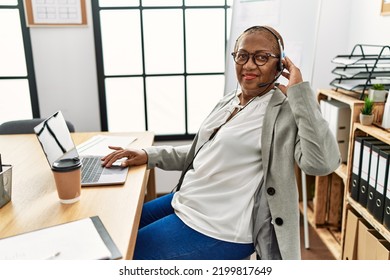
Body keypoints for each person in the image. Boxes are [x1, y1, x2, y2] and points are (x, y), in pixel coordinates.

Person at [101, 25, 341, 260]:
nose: (248, 64)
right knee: (112, 231)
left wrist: (300, 92)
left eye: (261, 57)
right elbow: (204, 153)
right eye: (242, 55)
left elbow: (322, 163)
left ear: (280, 65)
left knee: (126, 256)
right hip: (185, 201)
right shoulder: (230, 101)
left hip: (218, 227)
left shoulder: (286, 110)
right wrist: (149, 154)